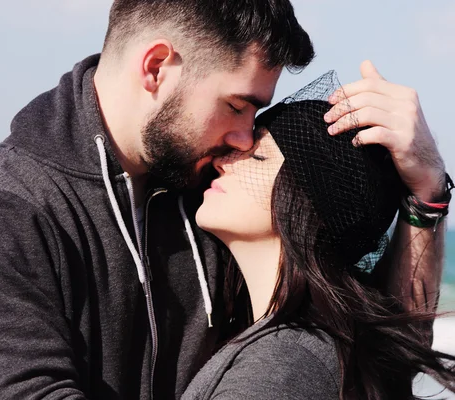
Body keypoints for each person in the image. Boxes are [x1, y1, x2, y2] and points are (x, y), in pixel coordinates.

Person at [0, 1, 449, 399]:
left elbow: (379, 348)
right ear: (156, 68)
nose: (244, 138)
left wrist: (427, 194)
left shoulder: (213, 200)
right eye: (238, 105)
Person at [181, 73, 455, 400]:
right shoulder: (329, 346)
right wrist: (427, 194)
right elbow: (401, 345)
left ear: (303, 201)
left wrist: (428, 188)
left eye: (256, 156)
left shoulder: (277, 370)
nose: (223, 160)